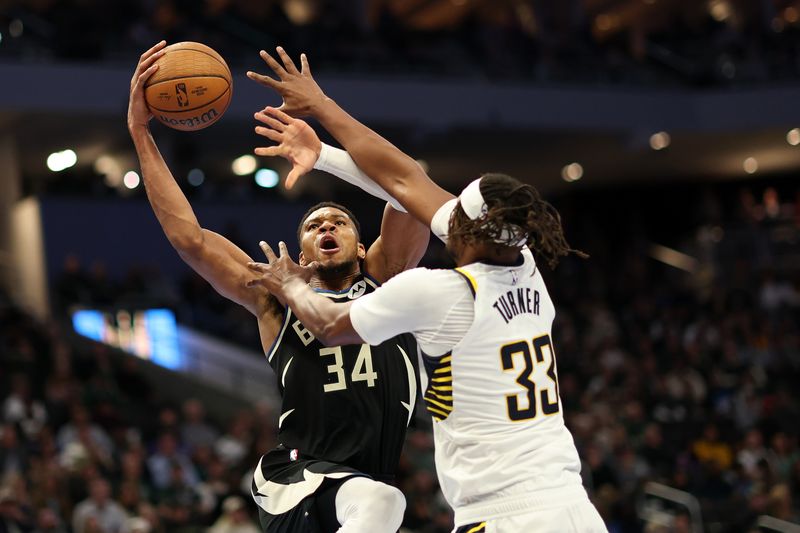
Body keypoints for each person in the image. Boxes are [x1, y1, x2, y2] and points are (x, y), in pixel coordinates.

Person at [246, 48, 607, 532]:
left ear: (469, 234)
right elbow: (404, 182)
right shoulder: (525, 267)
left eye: (457, 214)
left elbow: (330, 325)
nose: (446, 214)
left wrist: (292, 285)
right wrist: (325, 149)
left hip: (503, 515)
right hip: (572, 505)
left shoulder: (440, 293)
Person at [127, 41, 430, 533]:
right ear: (304, 252)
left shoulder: (388, 278)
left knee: (380, 502)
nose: (326, 227)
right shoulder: (274, 294)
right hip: (297, 477)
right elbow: (190, 239)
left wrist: (326, 136)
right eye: (313, 226)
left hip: (363, 485)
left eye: (338, 222)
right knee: (382, 503)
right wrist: (139, 131)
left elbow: (410, 183)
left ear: (361, 248)